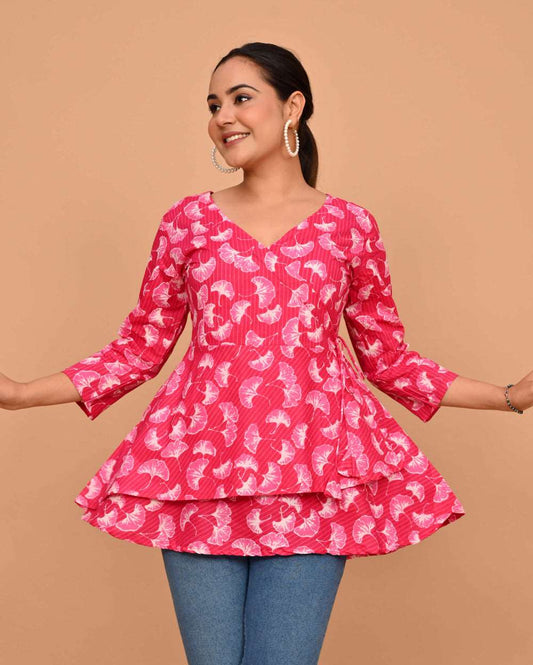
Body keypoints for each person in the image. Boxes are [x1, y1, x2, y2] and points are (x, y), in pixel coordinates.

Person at [2, 41, 531, 665]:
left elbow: (388, 359)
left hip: (315, 474)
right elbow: (140, 347)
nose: (222, 116)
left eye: (241, 98)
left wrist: (510, 397)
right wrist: (20, 394)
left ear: (293, 106)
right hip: (196, 473)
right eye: (213, 104)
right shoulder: (188, 223)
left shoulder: (349, 227)